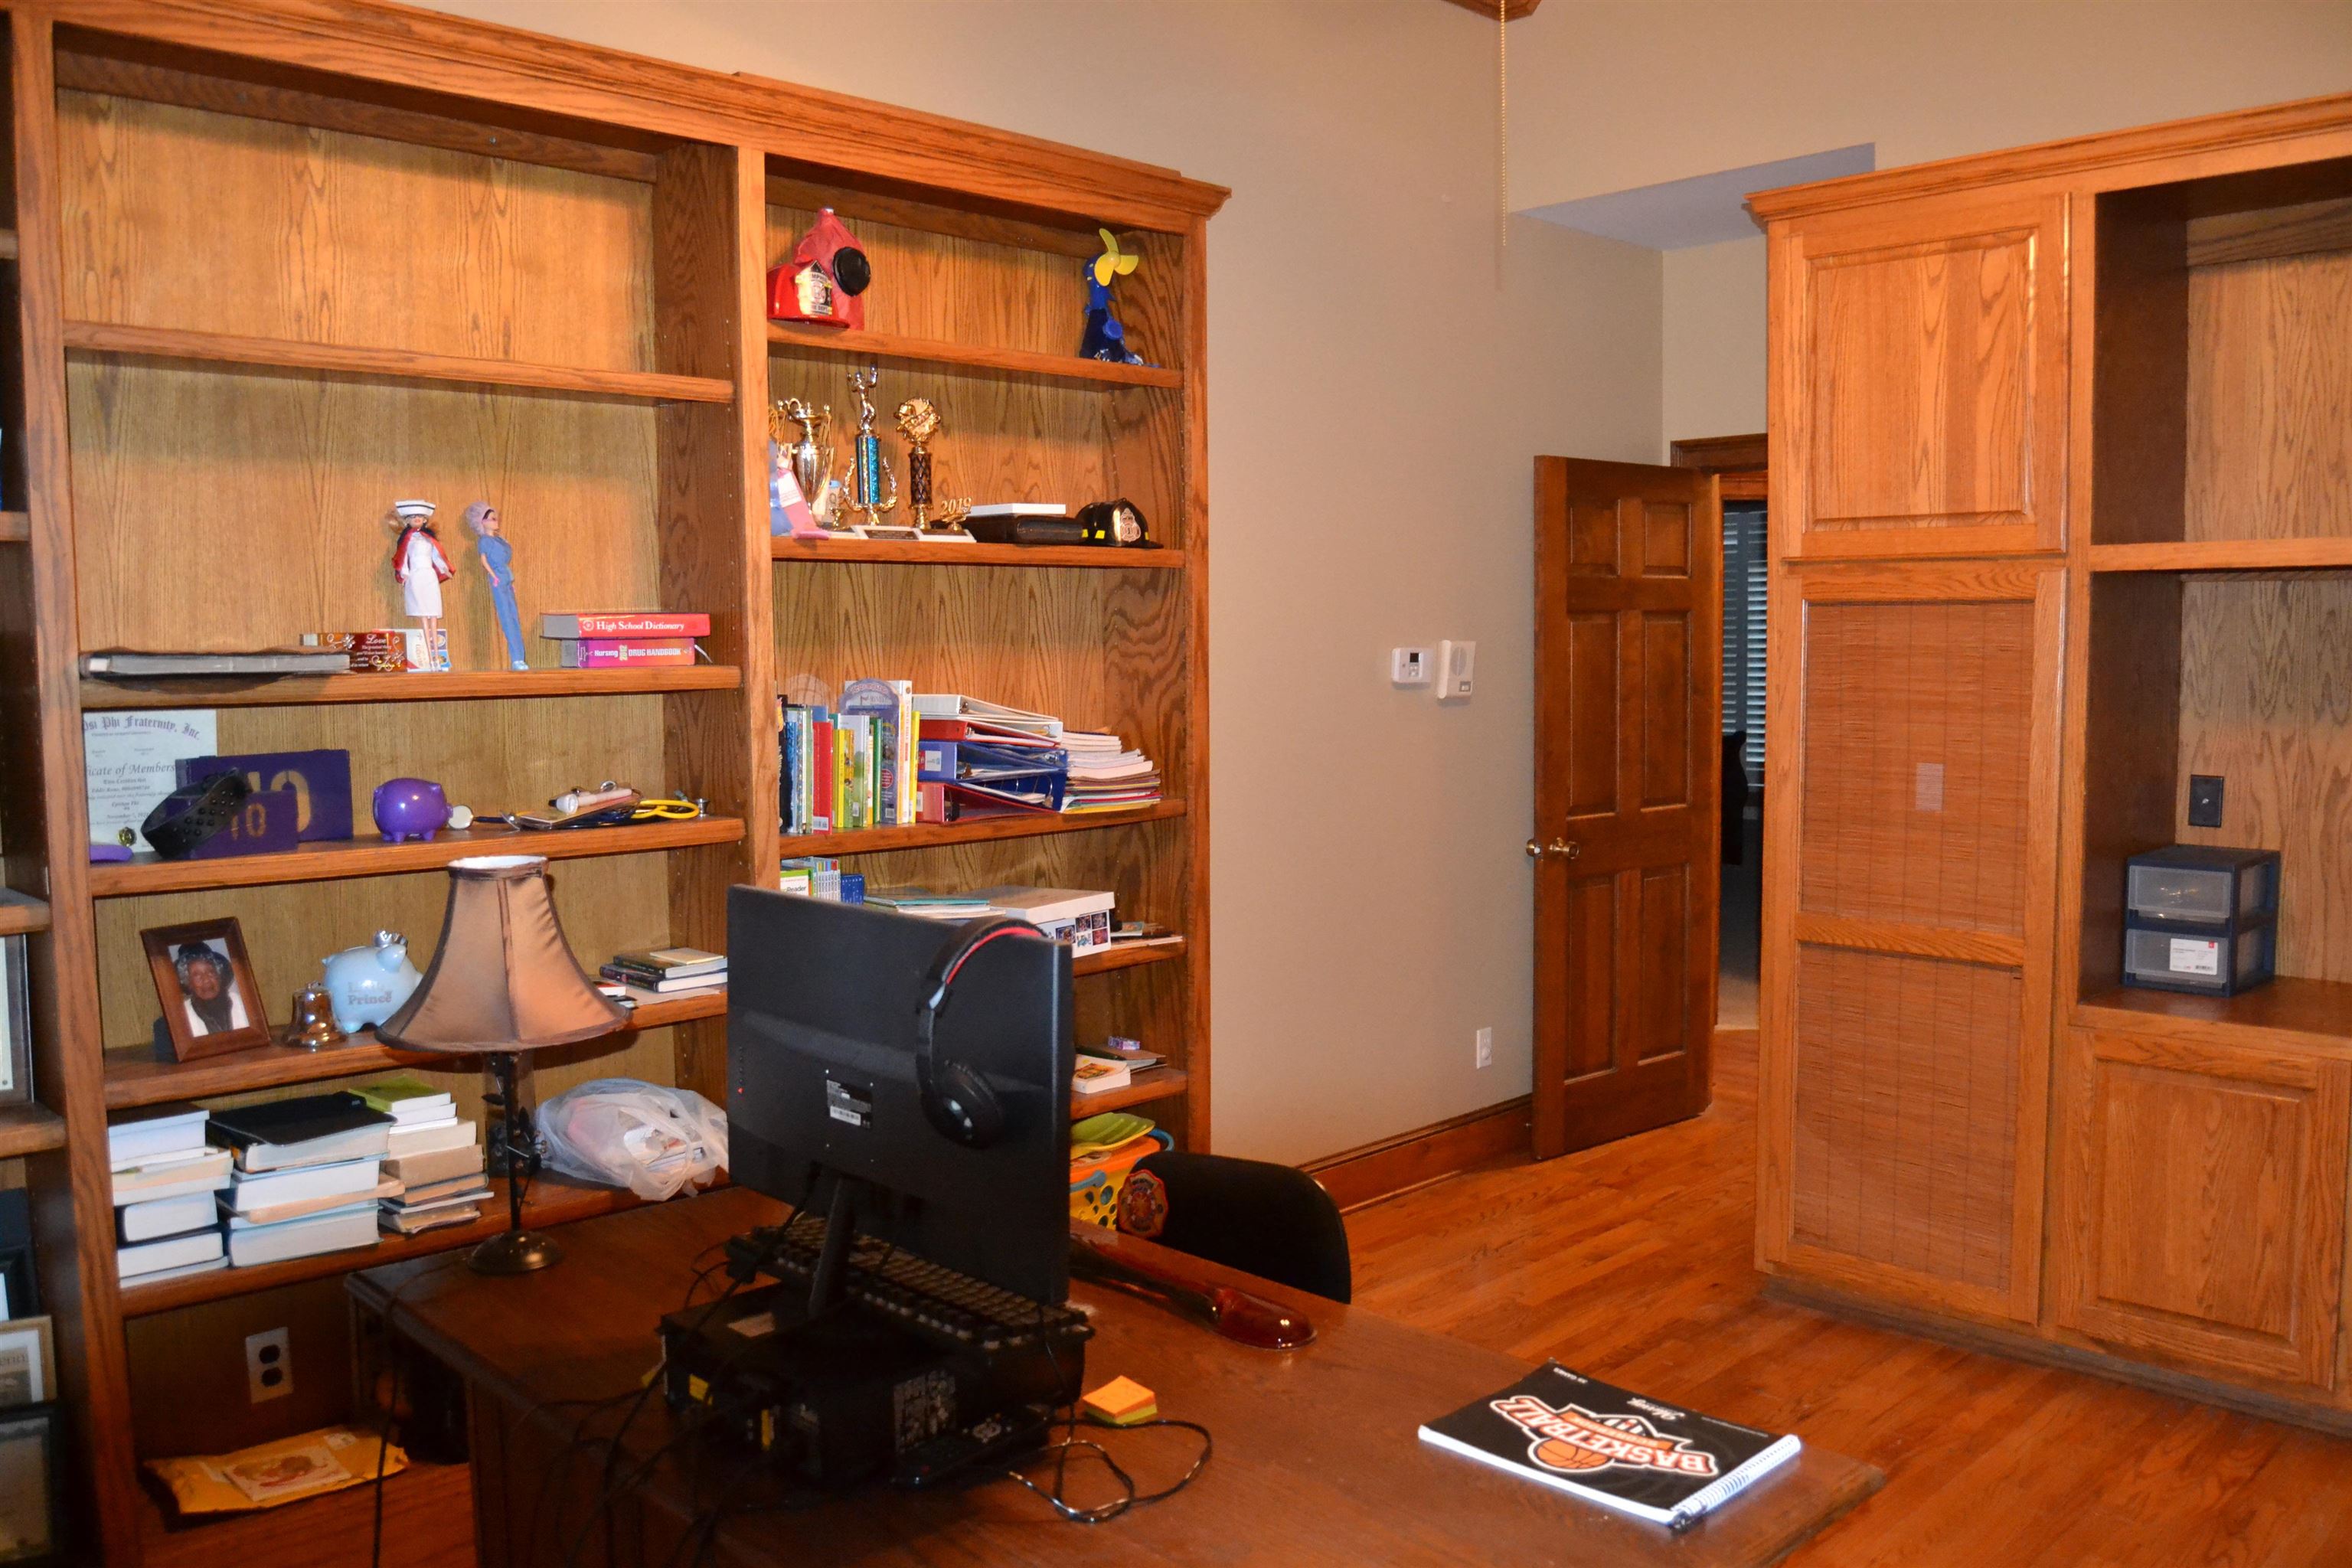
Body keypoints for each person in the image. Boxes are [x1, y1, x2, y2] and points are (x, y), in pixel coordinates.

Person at [465, 501, 528, 671]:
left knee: (514, 617)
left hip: (506, 579)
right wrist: (494, 577)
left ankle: (519, 657)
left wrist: (508, 581)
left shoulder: (499, 540)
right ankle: (516, 659)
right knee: (507, 618)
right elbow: (484, 561)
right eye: (491, 519)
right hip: (498, 580)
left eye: (495, 518)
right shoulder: (485, 541)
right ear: (482, 522)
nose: (495, 521)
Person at [391, 501, 453, 671]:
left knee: (433, 614)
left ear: (425, 520)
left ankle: (437, 656)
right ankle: (429, 656)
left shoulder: (429, 539)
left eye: (420, 517)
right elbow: (403, 559)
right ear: (407, 521)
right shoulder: (407, 539)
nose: (417, 519)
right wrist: (404, 574)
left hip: (429, 575)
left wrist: (444, 569)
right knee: (423, 615)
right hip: (416, 576)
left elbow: (437, 557)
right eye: (413, 517)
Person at [177, 941, 249, 1037]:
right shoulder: (180, 1016)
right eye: (197, 975)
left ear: (219, 974)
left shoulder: (243, 1002)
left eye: (210, 972)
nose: (206, 979)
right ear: (188, 982)